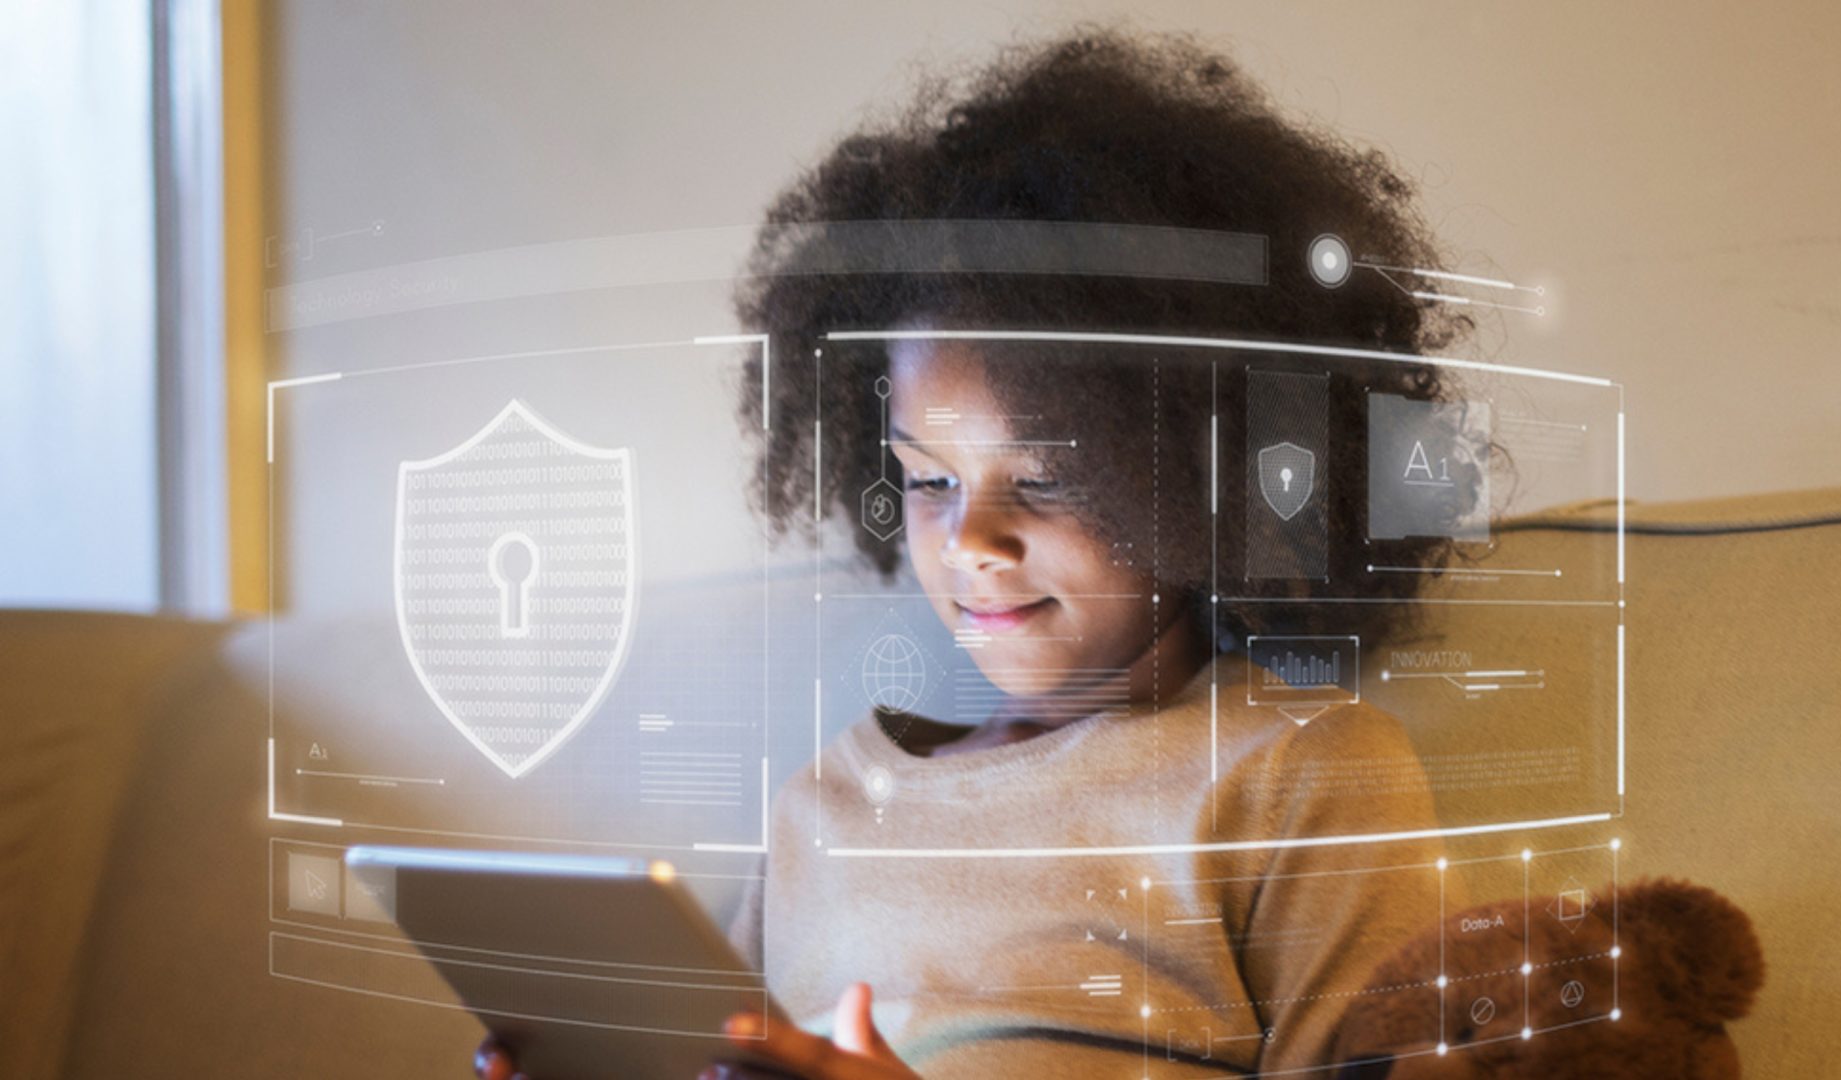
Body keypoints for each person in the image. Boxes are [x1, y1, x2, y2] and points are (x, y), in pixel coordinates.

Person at [483, 27, 1474, 1079]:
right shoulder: (825, 802)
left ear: (1206, 478)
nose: (972, 541)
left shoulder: (1297, 772)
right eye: (928, 479)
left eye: (1044, 480)